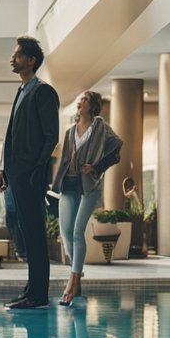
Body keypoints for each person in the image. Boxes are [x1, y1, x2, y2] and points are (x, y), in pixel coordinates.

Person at [1, 35, 59, 309]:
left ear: (31, 60)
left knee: (35, 234)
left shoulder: (43, 92)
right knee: (26, 234)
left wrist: (36, 171)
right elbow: (13, 135)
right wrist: (5, 170)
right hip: (17, 176)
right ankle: (31, 290)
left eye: (17, 55)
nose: (12, 58)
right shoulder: (22, 90)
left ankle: (38, 295)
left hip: (30, 177)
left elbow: (51, 137)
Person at [51, 90, 122, 306]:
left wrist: (97, 167)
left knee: (76, 232)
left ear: (92, 106)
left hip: (89, 186)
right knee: (65, 234)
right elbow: (64, 159)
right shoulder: (70, 131)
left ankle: (72, 282)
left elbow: (117, 148)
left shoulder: (101, 128)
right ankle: (78, 280)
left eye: (83, 100)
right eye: (79, 100)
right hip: (69, 184)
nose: (79, 102)